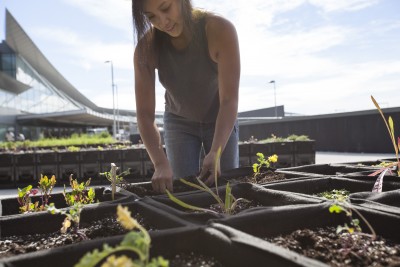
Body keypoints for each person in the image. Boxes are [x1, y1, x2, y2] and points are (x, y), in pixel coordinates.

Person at [132, 0, 240, 193]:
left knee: (226, 190)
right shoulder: (145, 49)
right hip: (178, 122)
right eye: (151, 17)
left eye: (166, 8)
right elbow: (145, 115)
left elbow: (229, 100)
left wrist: (216, 151)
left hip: (220, 118)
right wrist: (160, 163)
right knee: (185, 192)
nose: (163, 21)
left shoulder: (220, 30)